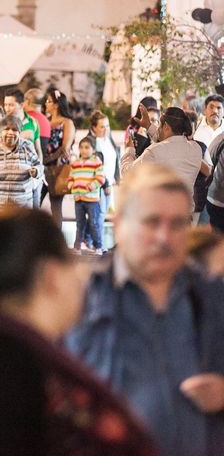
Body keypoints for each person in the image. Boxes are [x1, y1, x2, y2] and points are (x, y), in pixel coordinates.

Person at [0, 208, 159, 456]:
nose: (82, 277)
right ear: (51, 275)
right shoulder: (6, 366)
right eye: (73, 263)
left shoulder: (1, 351)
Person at [65, 163, 224, 456]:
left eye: (177, 224)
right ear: (120, 223)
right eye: (151, 222)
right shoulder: (77, 304)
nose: (165, 238)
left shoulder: (213, 296)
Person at [122, 106, 202, 201]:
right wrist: (148, 125)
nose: (158, 128)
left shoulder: (154, 151)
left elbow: (128, 173)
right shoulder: (196, 148)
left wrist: (129, 150)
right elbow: (169, 143)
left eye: (159, 125)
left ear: (166, 126)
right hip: (185, 212)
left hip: (162, 213)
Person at [0, 115, 43, 210]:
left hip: (23, 208)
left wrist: (36, 171)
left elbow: (39, 166)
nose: (10, 132)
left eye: (15, 130)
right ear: (0, 131)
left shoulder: (27, 146)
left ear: (19, 132)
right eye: (6, 129)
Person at [43, 88, 75, 228]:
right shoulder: (45, 121)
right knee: (34, 202)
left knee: (55, 205)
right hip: (42, 167)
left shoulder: (67, 122)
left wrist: (48, 158)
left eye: (48, 101)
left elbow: (65, 148)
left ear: (56, 104)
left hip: (57, 167)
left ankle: (57, 243)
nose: (46, 104)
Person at [67, 137, 106, 255]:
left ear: (93, 149)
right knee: (79, 224)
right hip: (78, 199)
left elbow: (101, 179)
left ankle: (98, 246)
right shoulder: (75, 163)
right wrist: (71, 185)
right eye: (81, 147)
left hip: (92, 199)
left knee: (93, 223)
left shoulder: (96, 162)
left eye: (87, 147)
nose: (84, 150)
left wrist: (91, 186)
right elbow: (71, 177)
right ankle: (77, 247)